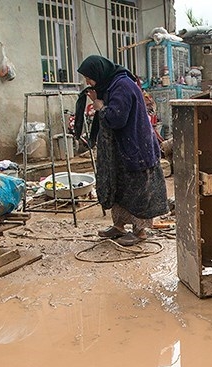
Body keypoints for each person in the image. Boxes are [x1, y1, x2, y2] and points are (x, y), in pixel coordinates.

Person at [74, 55, 168, 247]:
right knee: (119, 186)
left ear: (99, 73)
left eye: (89, 77)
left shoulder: (122, 86)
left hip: (135, 146)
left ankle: (140, 230)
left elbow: (117, 118)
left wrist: (100, 106)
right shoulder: (111, 85)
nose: (88, 82)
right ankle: (119, 226)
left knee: (137, 189)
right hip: (122, 147)